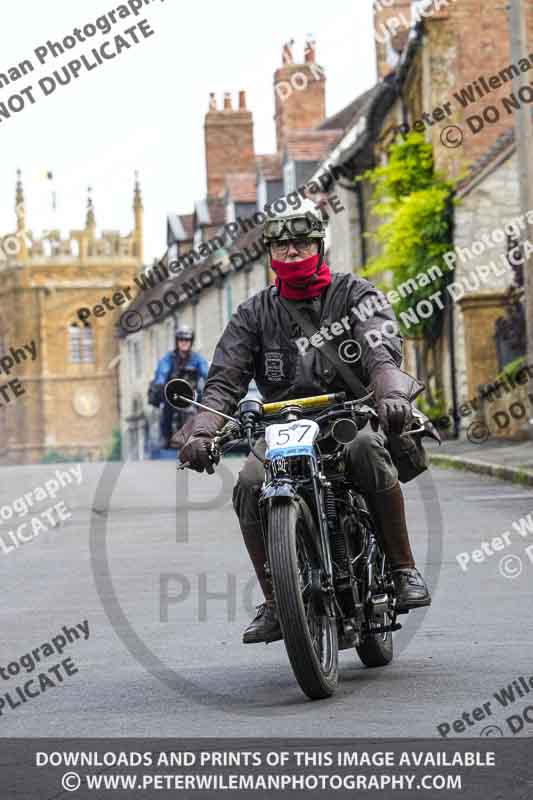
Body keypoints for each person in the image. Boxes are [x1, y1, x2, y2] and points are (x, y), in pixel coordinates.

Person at [176, 199, 431, 644]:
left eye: (301, 243)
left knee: (366, 450)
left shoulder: (356, 295)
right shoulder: (252, 314)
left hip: (349, 414)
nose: (291, 251)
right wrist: (202, 431)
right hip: (283, 425)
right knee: (249, 482)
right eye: (282, 246)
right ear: (271, 254)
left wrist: (391, 394)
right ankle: (277, 602)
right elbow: (223, 381)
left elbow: (381, 351)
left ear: (319, 246)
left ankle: (402, 568)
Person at [152, 326, 209, 449]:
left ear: (191, 341)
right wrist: (160, 383)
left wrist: (211, 381)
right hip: (173, 393)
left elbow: (206, 373)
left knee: (204, 406)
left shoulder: (197, 358)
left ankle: (202, 434)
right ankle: (166, 437)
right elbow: (162, 372)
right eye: (181, 339)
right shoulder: (169, 358)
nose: (184, 342)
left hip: (191, 393)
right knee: (166, 410)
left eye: (187, 340)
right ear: (177, 341)